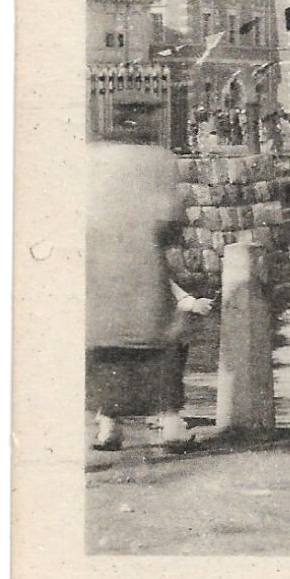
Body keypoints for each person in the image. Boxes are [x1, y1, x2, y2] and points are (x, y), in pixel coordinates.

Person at [86, 102, 210, 453]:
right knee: (162, 344)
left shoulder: (92, 157)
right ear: (142, 121)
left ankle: (108, 427)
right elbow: (170, 219)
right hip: (142, 267)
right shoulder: (159, 160)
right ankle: (170, 424)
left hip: (98, 271)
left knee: (106, 350)